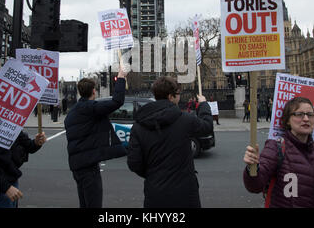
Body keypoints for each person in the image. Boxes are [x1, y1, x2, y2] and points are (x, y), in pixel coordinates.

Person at [243, 96, 314, 208]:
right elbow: (255, 186)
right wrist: (252, 167)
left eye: (310, 114)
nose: (306, 119)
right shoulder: (276, 147)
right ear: (287, 120)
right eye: (299, 114)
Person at [126, 76, 213, 208]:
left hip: (155, 193)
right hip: (185, 193)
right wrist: (203, 105)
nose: (179, 97)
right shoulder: (185, 120)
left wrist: (152, 174)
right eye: (178, 94)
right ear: (170, 97)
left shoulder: (138, 126)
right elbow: (207, 127)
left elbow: (134, 163)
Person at [64, 65, 128, 208]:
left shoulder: (73, 112)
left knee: (85, 203)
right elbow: (117, 101)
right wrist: (121, 78)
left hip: (77, 165)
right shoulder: (90, 108)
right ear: (93, 91)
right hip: (88, 166)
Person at [0, 130, 47, 208]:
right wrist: (6, 187)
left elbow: (28, 145)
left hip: (12, 180)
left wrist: (36, 142)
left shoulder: (9, 125)